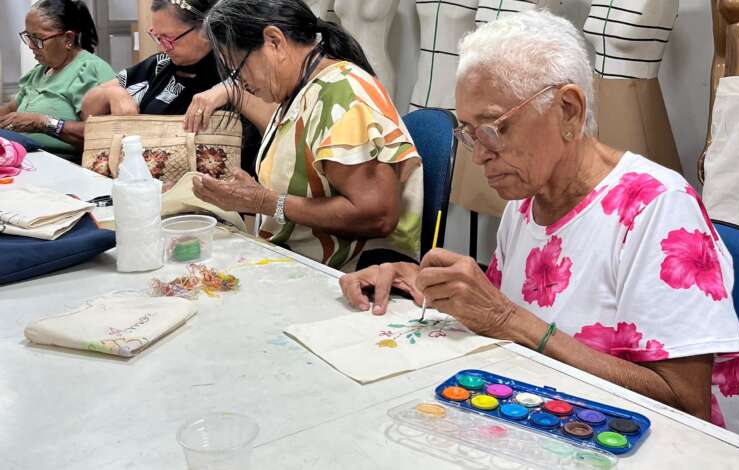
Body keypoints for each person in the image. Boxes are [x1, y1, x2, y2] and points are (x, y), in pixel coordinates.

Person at [339, 11, 739, 443]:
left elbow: (686, 404)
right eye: (469, 132)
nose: (479, 155)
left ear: (568, 110)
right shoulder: (527, 200)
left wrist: (508, 319)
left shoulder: (656, 209)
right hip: (559, 428)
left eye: (493, 129)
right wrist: (432, 285)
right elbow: (508, 322)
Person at [191, 0, 423, 272]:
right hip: (303, 263)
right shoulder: (302, 90)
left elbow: (378, 216)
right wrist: (254, 194)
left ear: (274, 42)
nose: (239, 81)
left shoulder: (343, 96)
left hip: (353, 275)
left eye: (238, 67)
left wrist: (262, 201)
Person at [0, 0, 113, 158]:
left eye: (38, 39)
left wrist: (43, 123)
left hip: (65, 166)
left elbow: (103, 134)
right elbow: (12, 109)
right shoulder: (40, 72)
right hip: (25, 159)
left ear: (68, 38)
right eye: (28, 37)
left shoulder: (90, 70)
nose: (31, 45)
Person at [81, 0, 220, 118]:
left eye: (168, 38)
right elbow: (86, 109)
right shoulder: (160, 63)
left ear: (205, 28)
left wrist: (228, 92)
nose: (163, 49)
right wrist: (112, 94)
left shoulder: (231, 72)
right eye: (158, 38)